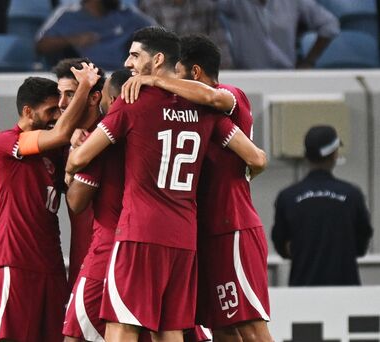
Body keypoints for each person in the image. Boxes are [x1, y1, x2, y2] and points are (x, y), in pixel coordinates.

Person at [65, 27, 266, 342]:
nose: (129, 63)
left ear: (157, 59)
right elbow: (257, 158)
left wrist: (77, 148)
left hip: (140, 232)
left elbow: (79, 162)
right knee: (169, 329)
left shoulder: (133, 101)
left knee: (122, 325)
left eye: (134, 55)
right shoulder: (205, 108)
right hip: (185, 236)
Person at [121, 34, 273, 342]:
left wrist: (156, 81)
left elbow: (257, 157)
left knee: (251, 327)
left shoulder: (229, 96)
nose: (172, 84)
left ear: (194, 74)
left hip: (233, 228)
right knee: (223, 327)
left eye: (176, 75)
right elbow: (255, 161)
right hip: (203, 230)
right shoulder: (194, 115)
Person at [0, 64, 100, 342]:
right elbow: (60, 133)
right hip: (14, 262)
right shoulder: (7, 141)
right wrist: (84, 87)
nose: (56, 116)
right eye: (51, 111)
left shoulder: (56, 153)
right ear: (28, 112)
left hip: (50, 267)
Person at [62, 68, 131, 342]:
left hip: (109, 251)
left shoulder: (102, 141)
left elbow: (76, 202)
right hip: (156, 247)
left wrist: (71, 167)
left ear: (108, 99)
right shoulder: (153, 132)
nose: (63, 104)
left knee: (75, 336)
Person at [272, 125, 373, 286]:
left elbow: (282, 247)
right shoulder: (352, 195)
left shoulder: (288, 197)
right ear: (334, 154)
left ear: (306, 155)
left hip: (303, 291)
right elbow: (361, 246)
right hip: (346, 292)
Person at [52, 58, 106, 291]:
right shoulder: (58, 141)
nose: (62, 103)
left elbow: (76, 203)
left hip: (109, 263)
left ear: (95, 97)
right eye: (59, 94)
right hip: (79, 263)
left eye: (71, 94)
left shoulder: (111, 135)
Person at [215, 0, 340, 69]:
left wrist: (309, 61)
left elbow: (330, 25)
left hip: (286, 76)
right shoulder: (233, 3)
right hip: (247, 77)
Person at [35, 0, 155, 70]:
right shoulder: (68, 14)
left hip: (120, 77)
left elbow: (158, 35)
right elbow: (41, 45)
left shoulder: (128, 15)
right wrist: (73, 40)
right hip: (83, 78)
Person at [138, 0, 233, 69]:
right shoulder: (150, 5)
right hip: (166, 72)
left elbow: (222, 50)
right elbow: (149, 48)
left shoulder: (206, 5)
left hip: (200, 72)